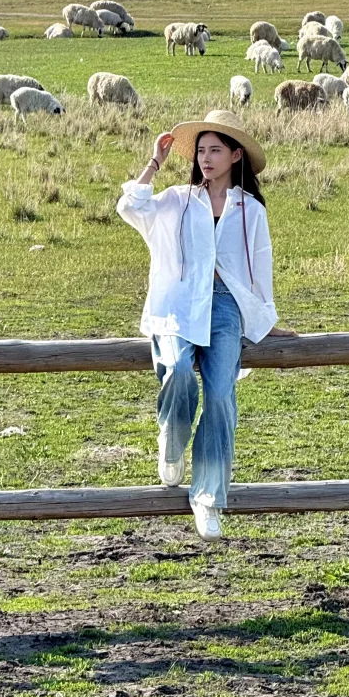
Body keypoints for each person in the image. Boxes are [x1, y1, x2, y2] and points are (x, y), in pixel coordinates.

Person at [117, 110, 294, 540]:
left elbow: (259, 270)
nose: (206, 158)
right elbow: (130, 206)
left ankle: (208, 497)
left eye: (215, 150)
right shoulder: (179, 198)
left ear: (236, 156)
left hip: (226, 310)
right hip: (179, 303)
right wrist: (154, 162)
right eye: (201, 150)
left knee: (219, 395)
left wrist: (266, 320)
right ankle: (172, 442)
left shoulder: (250, 210)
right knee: (177, 370)